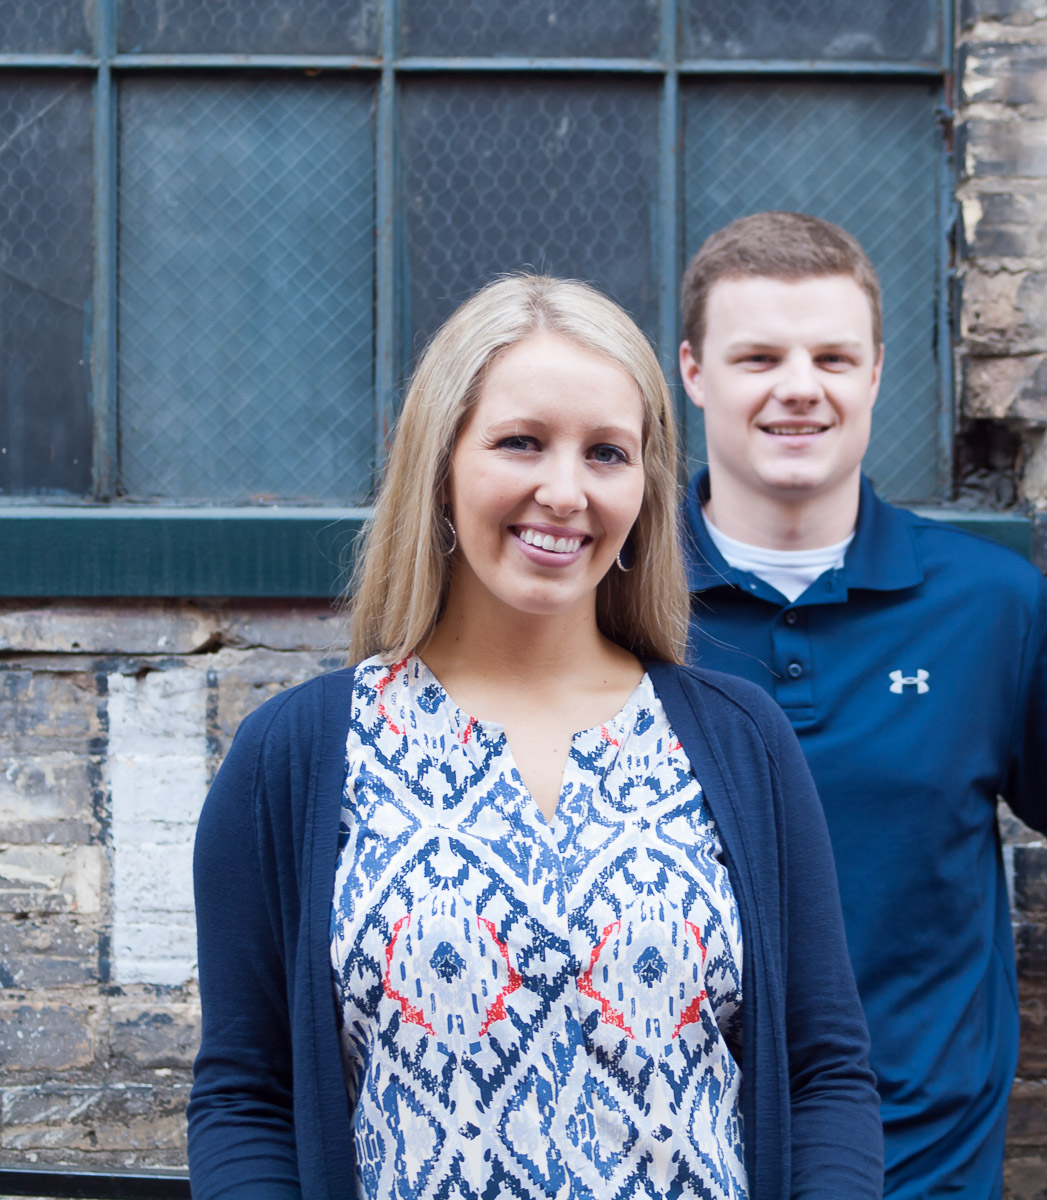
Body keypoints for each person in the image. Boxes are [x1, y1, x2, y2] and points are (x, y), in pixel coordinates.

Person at [187, 274, 882, 1200]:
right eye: (521, 443)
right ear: (439, 463)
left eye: (606, 453)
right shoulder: (299, 755)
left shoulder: (739, 740)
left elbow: (825, 1072)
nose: (565, 491)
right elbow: (247, 1095)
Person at [676, 213, 1047, 1200]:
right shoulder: (612, 602)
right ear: (693, 372)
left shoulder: (989, 607)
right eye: (758, 355)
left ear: (878, 373)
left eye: (833, 356)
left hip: (918, 1169)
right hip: (658, 1159)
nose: (799, 387)